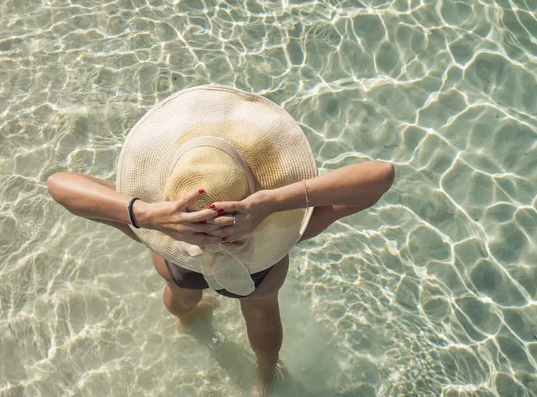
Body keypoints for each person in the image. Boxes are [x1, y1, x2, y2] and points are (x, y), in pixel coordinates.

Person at [46, 85, 394, 396]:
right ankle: (266, 376)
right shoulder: (281, 223)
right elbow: (379, 178)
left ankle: (189, 320)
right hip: (257, 274)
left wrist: (147, 215)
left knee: (181, 300)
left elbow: (60, 185)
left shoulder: (156, 226)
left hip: (181, 265)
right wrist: (274, 202)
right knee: (263, 320)